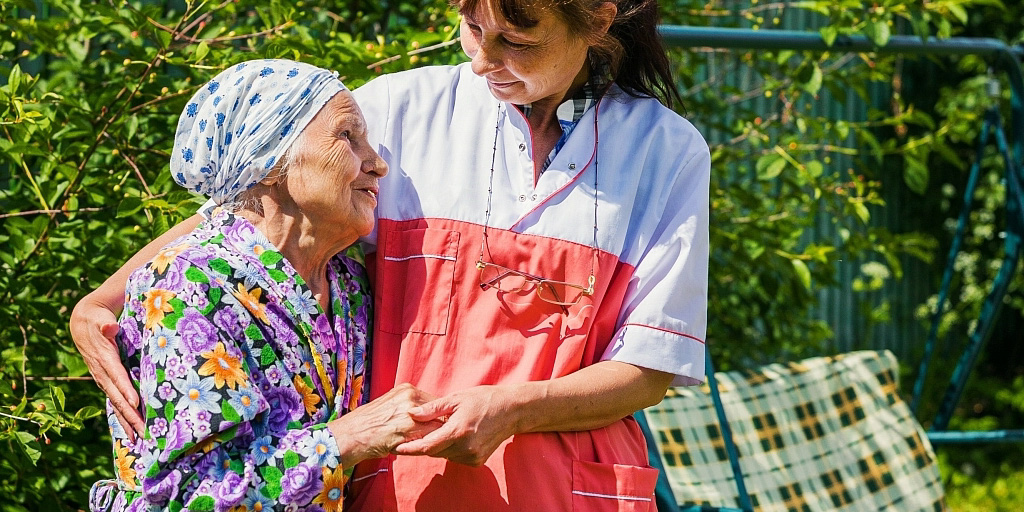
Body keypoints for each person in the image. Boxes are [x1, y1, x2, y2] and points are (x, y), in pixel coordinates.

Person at [73, 0, 711, 510]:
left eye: (516, 39)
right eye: (471, 26)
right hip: (400, 488)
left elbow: (651, 366)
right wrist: (104, 299)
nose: (484, 59)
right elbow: (255, 195)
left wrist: (512, 407)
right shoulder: (401, 107)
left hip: (563, 488)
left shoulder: (666, 154)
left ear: (597, 17)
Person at [85, 59, 442, 512]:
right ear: (270, 160)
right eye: (348, 137)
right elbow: (191, 498)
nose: (378, 165)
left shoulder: (349, 285)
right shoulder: (188, 285)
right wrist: (351, 437)